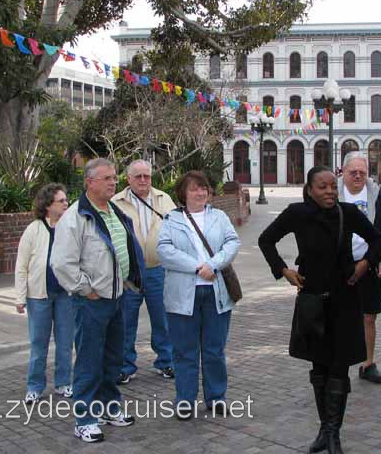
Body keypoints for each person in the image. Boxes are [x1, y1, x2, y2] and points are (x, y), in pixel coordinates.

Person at [258, 166, 381, 454]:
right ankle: (324, 428)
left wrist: (364, 265)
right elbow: (266, 240)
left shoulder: (348, 212)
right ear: (310, 189)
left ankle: (333, 433)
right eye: (322, 187)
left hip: (344, 301)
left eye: (332, 186)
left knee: (339, 368)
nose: (329, 192)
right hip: (312, 301)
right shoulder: (296, 213)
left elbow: (378, 239)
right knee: (319, 367)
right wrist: (283, 270)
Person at [52, 158, 146, 443]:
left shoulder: (113, 211)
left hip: (117, 297)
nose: (112, 182)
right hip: (91, 301)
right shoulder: (76, 217)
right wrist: (86, 290)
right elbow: (62, 263)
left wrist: (130, 282)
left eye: (114, 177)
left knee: (113, 358)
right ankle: (85, 418)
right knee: (89, 362)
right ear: (89, 182)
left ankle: (109, 407)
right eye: (106, 178)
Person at [156, 171, 241, 419]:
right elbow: (164, 250)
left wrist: (212, 265)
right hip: (183, 294)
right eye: (194, 189)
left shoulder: (219, 216)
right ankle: (185, 399)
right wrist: (196, 267)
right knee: (184, 351)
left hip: (216, 293)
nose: (201, 192)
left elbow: (232, 242)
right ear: (183, 193)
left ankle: (216, 397)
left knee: (214, 350)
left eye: (204, 188)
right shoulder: (171, 219)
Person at [112, 159, 176, 384]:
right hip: (130, 274)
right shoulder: (115, 203)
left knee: (163, 319)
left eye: (146, 176)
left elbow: (177, 229)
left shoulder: (163, 199)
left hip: (158, 270)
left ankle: (166, 362)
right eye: (137, 176)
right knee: (126, 321)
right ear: (128, 179)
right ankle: (125, 366)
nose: (142, 180)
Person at [15, 183, 74, 405]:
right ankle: (34, 386)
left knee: (66, 342)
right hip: (38, 296)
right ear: (48, 205)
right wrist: (20, 297)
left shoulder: (71, 228)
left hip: (66, 295)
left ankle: (63, 383)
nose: (66, 203)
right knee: (39, 344)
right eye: (61, 201)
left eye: (66, 200)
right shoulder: (34, 229)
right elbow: (22, 265)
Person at [337, 151, 381, 385]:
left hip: (369, 262)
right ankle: (337, 364)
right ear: (343, 172)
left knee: (369, 316)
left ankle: (368, 364)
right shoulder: (332, 192)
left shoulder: (379, 196)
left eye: (362, 172)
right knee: (338, 316)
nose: (358, 176)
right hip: (339, 265)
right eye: (353, 172)